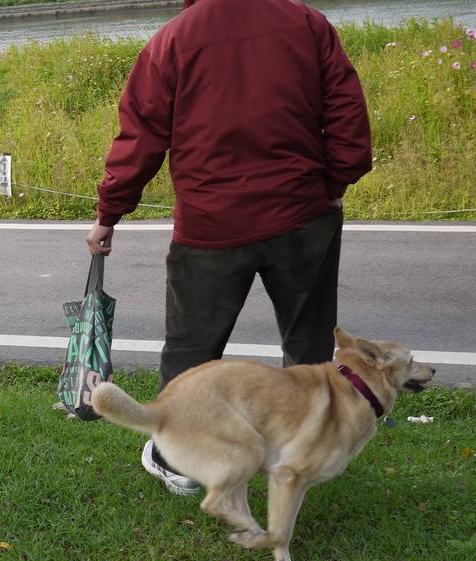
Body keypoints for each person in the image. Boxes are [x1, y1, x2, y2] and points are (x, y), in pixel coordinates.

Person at [87, 0, 373, 496]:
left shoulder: (172, 39)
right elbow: (347, 109)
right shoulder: (306, 21)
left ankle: (178, 462)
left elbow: (141, 137)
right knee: (306, 345)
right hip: (303, 215)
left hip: (210, 226)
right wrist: (334, 183)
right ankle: (301, 453)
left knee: (192, 351)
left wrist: (109, 213)